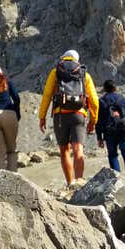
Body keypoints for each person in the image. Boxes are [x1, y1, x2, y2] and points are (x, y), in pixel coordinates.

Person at [38, 50, 99, 185]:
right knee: (78, 149)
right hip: (79, 114)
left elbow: (47, 95)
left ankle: (70, 183)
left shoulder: (56, 72)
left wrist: (42, 116)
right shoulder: (84, 74)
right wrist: (93, 121)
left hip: (60, 115)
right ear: (77, 60)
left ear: (63, 58)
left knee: (64, 150)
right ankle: (79, 182)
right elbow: (94, 101)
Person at [96, 80, 125, 180]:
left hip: (110, 132)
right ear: (115, 88)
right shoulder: (122, 99)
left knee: (113, 155)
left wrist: (99, 137)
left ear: (105, 89)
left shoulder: (102, 101)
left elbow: (99, 120)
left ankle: (116, 179)